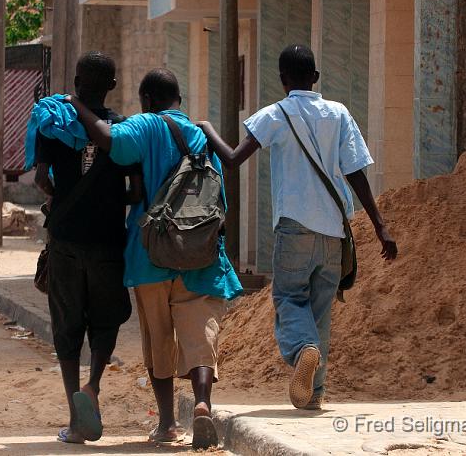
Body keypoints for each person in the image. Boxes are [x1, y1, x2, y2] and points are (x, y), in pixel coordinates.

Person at [198, 44, 398, 410]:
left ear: (283, 79)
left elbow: (231, 159)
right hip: (335, 231)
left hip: (294, 227)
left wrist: (207, 128)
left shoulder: (275, 114)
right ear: (316, 78)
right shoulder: (338, 114)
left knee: (289, 298)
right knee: (321, 310)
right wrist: (380, 227)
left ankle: (302, 350)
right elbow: (356, 172)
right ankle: (314, 395)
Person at [68, 68, 243, 450]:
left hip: (151, 255)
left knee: (159, 341)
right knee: (201, 336)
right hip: (200, 253)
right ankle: (201, 403)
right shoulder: (200, 134)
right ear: (178, 98)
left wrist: (77, 105)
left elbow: (108, 138)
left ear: (147, 99)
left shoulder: (145, 125)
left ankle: (166, 424)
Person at [33, 52, 141, 445]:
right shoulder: (123, 130)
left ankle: (75, 418)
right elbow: (137, 190)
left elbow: (42, 179)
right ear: (112, 85)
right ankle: (92, 386)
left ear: (76, 81)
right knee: (106, 321)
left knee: (66, 326)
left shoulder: (51, 125)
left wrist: (61, 196)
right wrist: (109, 197)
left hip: (65, 240)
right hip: (109, 242)